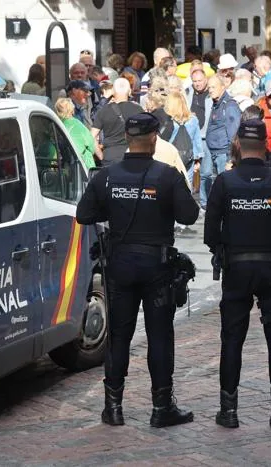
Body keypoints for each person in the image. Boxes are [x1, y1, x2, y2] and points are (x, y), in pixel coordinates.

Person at [75, 112, 199, 429]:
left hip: (119, 265)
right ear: (154, 138)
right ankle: (161, 408)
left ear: (128, 139)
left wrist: (113, 205)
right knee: (159, 336)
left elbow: (84, 214)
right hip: (156, 266)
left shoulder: (106, 176)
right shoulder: (167, 175)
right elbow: (189, 215)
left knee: (119, 336)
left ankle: (113, 407)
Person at [203, 119, 271, 429]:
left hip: (236, 268)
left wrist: (223, 250)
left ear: (237, 145)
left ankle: (229, 410)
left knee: (232, 339)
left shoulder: (225, 182)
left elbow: (210, 232)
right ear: (266, 144)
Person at [201, 76, 242, 210]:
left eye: (213, 87)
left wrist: (231, 159)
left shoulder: (229, 105)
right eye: (209, 87)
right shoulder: (216, 103)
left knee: (225, 187)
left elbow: (234, 134)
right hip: (215, 152)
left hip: (223, 154)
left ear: (222, 87)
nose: (210, 90)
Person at [91, 78, 144, 166]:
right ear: (130, 92)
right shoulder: (138, 110)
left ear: (113, 92)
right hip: (133, 155)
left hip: (110, 157)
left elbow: (92, 136)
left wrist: (101, 156)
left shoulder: (103, 111)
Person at [163, 92, 204, 190]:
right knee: (187, 184)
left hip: (171, 158)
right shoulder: (193, 119)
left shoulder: (168, 121)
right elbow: (197, 141)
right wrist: (197, 159)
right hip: (187, 158)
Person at [55, 98, 97, 169]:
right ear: (72, 110)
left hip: (67, 165)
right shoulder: (77, 124)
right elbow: (91, 145)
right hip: (84, 163)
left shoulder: (57, 126)